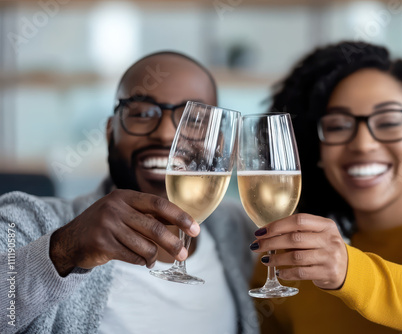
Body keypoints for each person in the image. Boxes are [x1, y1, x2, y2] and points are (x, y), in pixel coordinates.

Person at [0, 52, 259, 334]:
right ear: (110, 132)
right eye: (143, 113)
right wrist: (64, 250)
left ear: (219, 146)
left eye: (192, 119)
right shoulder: (25, 222)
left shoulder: (237, 229)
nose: (164, 134)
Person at [251, 42, 402, 333]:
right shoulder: (290, 264)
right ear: (316, 150)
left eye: (389, 121)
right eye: (339, 126)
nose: (362, 144)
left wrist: (347, 270)